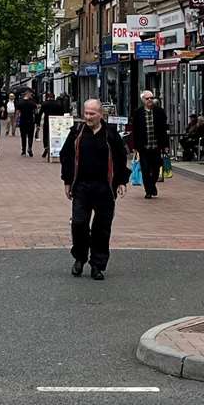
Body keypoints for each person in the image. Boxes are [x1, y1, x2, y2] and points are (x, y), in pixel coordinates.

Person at [59, 97, 129, 280]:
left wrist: (121, 181)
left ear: (101, 114)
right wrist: (67, 181)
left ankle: (97, 264)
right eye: (86, 113)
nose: (88, 117)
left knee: (102, 227)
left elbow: (121, 157)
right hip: (81, 186)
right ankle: (80, 258)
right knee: (79, 223)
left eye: (92, 113)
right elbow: (66, 155)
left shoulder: (111, 134)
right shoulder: (77, 132)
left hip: (105, 188)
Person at [128, 89, 170, 199]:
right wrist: (134, 147)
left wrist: (165, 145)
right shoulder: (138, 113)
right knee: (145, 169)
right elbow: (135, 130)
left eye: (152, 98)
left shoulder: (159, 111)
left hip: (156, 146)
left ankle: (152, 185)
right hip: (144, 147)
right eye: (148, 98)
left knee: (156, 169)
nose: (150, 100)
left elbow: (163, 130)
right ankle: (148, 190)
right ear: (143, 100)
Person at [15, 89, 39, 157]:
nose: (31, 96)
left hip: (23, 121)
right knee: (30, 136)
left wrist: (16, 121)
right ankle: (30, 148)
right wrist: (37, 122)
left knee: (23, 136)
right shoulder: (33, 103)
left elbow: (17, 113)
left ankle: (23, 151)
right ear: (28, 94)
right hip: (31, 121)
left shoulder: (20, 102)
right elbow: (36, 112)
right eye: (31, 95)